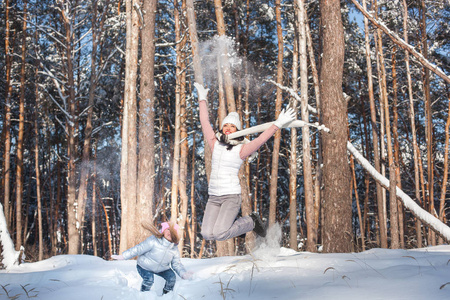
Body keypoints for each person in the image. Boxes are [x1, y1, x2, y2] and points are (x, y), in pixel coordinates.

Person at [194, 82, 296, 241]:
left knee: (220, 234)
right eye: (225, 125)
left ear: (237, 130)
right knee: (207, 234)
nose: (228, 128)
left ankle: (250, 221)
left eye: (232, 126)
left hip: (230, 196)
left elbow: (261, 139)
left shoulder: (241, 149)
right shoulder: (215, 143)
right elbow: (204, 122)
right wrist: (202, 99)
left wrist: (278, 124)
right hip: (213, 196)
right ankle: (239, 226)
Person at [111, 222, 193, 294]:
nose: (170, 232)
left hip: (162, 269)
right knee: (149, 280)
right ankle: (143, 295)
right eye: (168, 229)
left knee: (172, 278)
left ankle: (166, 295)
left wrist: (183, 274)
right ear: (163, 231)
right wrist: (124, 256)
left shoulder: (174, 249)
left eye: (173, 231)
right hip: (145, 266)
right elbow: (138, 249)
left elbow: (176, 264)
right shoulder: (153, 241)